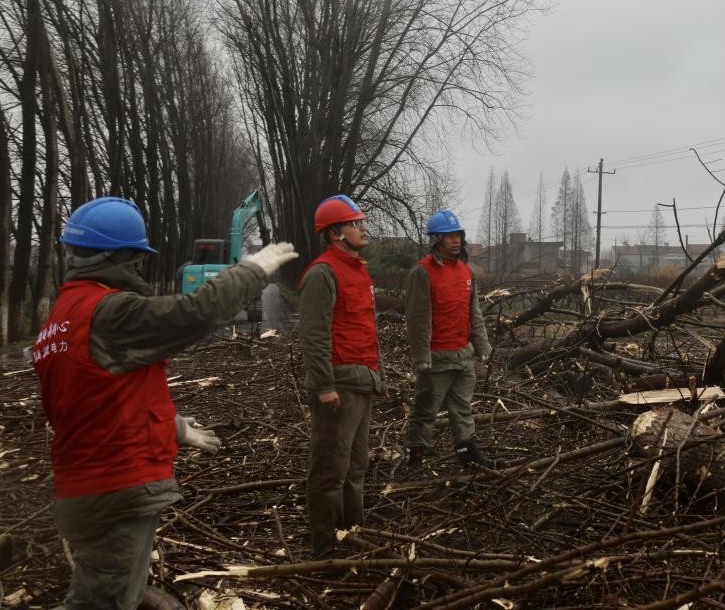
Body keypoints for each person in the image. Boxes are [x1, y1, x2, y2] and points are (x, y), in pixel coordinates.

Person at [33, 197, 297, 609]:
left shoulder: (61, 320)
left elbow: (96, 405)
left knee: (119, 593)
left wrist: (174, 427)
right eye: (136, 259)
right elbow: (193, 313)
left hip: (90, 483)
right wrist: (250, 271)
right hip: (115, 486)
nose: (138, 269)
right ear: (120, 257)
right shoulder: (109, 312)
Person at [298, 193, 384, 559]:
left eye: (361, 222)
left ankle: (352, 532)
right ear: (335, 233)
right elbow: (314, 334)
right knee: (330, 467)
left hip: (362, 381)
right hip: (339, 385)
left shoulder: (358, 270)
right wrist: (323, 385)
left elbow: (363, 328)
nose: (363, 228)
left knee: (356, 465)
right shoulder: (321, 273)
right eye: (355, 223)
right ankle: (323, 545)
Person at [404, 208, 504, 470]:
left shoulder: (465, 271)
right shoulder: (422, 272)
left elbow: (474, 312)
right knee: (426, 410)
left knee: (463, 409)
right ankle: (415, 459)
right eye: (449, 236)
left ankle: (467, 454)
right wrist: (421, 357)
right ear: (436, 239)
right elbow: (417, 317)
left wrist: (482, 345)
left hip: (463, 356)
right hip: (436, 358)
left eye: (458, 234)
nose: (456, 240)